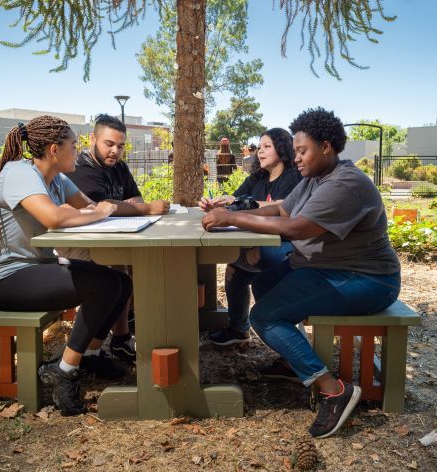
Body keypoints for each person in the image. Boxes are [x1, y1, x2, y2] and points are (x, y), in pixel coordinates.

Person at [202, 107, 401, 438]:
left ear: (326, 147)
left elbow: (296, 228)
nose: (296, 158)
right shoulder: (314, 178)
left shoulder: (346, 183)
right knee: (264, 281)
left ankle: (334, 390)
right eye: (294, 151)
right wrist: (236, 209)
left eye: (302, 150)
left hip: (367, 279)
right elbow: (281, 208)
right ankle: (293, 359)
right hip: (326, 268)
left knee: (264, 317)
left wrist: (232, 219)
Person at [0, 115, 145, 416]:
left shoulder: (57, 178)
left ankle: (89, 354)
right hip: (4, 278)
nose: (77, 152)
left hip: (35, 267)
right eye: (73, 147)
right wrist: (98, 212)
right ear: (54, 150)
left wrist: (107, 211)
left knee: (120, 281)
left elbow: (89, 208)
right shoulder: (19, 173)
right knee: (102, 285)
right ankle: (64, 371)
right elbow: (56, 217)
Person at [63, 114, 170, 362]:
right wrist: (135, 207)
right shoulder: (80, 167)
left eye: (120, 146)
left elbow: (135, 200)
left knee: (137, 262)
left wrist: (124, 205)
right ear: (93, 139)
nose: (115, 151)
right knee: (120, 268)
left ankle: (123, 333)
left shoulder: (118, 167)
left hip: (111, 236)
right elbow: (101, 207)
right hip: (80, 243)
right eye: (109, 144)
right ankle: (118, 338)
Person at [199, 128, 301, 346]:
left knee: (252, 255)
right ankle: (238, 329)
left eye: (267, 147)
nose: (260, 152)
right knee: (235, 267)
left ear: (282, 149)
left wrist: (244, 207)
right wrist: (219, 203)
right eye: (260, 147)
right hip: (259, 240)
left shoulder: (293, 175)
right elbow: (236, 199)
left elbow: (284, 206)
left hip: (288, 244)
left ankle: (275, 327)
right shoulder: (258, 177)